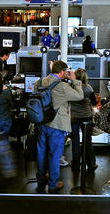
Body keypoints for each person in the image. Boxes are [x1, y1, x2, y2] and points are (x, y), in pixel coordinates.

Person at [35, 60, 83, 193]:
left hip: (41, 122)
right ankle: (53, 184)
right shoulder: (62, 86)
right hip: (56, 124)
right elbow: (79, 95)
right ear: (62, 72)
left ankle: (41, 179)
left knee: (41, 152)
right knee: (55, 154)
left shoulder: (40, 82)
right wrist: (74, 80)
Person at [69, 68, 97, 171]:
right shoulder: (89, 88)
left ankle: (76, 164)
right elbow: (94, 103)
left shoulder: (71, 87)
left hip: (73, 117)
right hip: (86, 116)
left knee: (75, 141)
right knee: (87, 141)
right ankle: (91, 164)